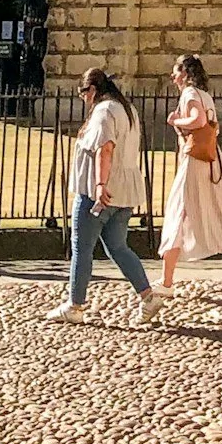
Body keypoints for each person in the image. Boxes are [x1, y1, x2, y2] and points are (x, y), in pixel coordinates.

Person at [46, 68, 159, 324]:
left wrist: (99, 185)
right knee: (118, 247)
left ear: (93, 90)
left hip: (99, 192)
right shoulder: (126, 108)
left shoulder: (104, 111)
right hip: (124, 191)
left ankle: (75, 305)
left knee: (82, 248)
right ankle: (148, 296)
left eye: (83, 92)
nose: (83, 98)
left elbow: (105, 149)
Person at [157, 53, 222, 302]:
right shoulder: (205, 95)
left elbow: (197, 120)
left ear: (186, 74)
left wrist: (176, 120)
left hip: (195, 162)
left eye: (176, 71)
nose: (172, 76)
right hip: (211, 161)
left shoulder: (189, 94)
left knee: (178, 212)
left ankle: (167, 282)